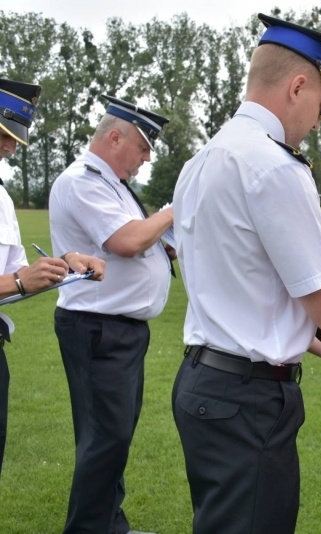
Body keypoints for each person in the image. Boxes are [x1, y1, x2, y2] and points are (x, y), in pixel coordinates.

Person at [170, 15, 321, 534]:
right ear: (298, 86)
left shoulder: (202, 160)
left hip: (205, 383)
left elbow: (255, 300)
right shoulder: (276, 167)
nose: (318, 122)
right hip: (247, 401)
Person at [48, 94, 173, 534]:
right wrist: (175, 208)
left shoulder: (112, 184)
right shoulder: (83, 181)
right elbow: (126, 241)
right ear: (114, 136)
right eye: (142, 148)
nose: (144, 160)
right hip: (99, 327)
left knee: (113, 437)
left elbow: (144, 240)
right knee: (106, 439)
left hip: (117, 329)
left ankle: (107, 523)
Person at [0, 78, 105, 478]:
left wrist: (61, 266)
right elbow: (15, 281)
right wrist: (21, 282)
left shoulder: (3, 197)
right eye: (5, 134)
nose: (13, 146)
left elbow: (13, 276)